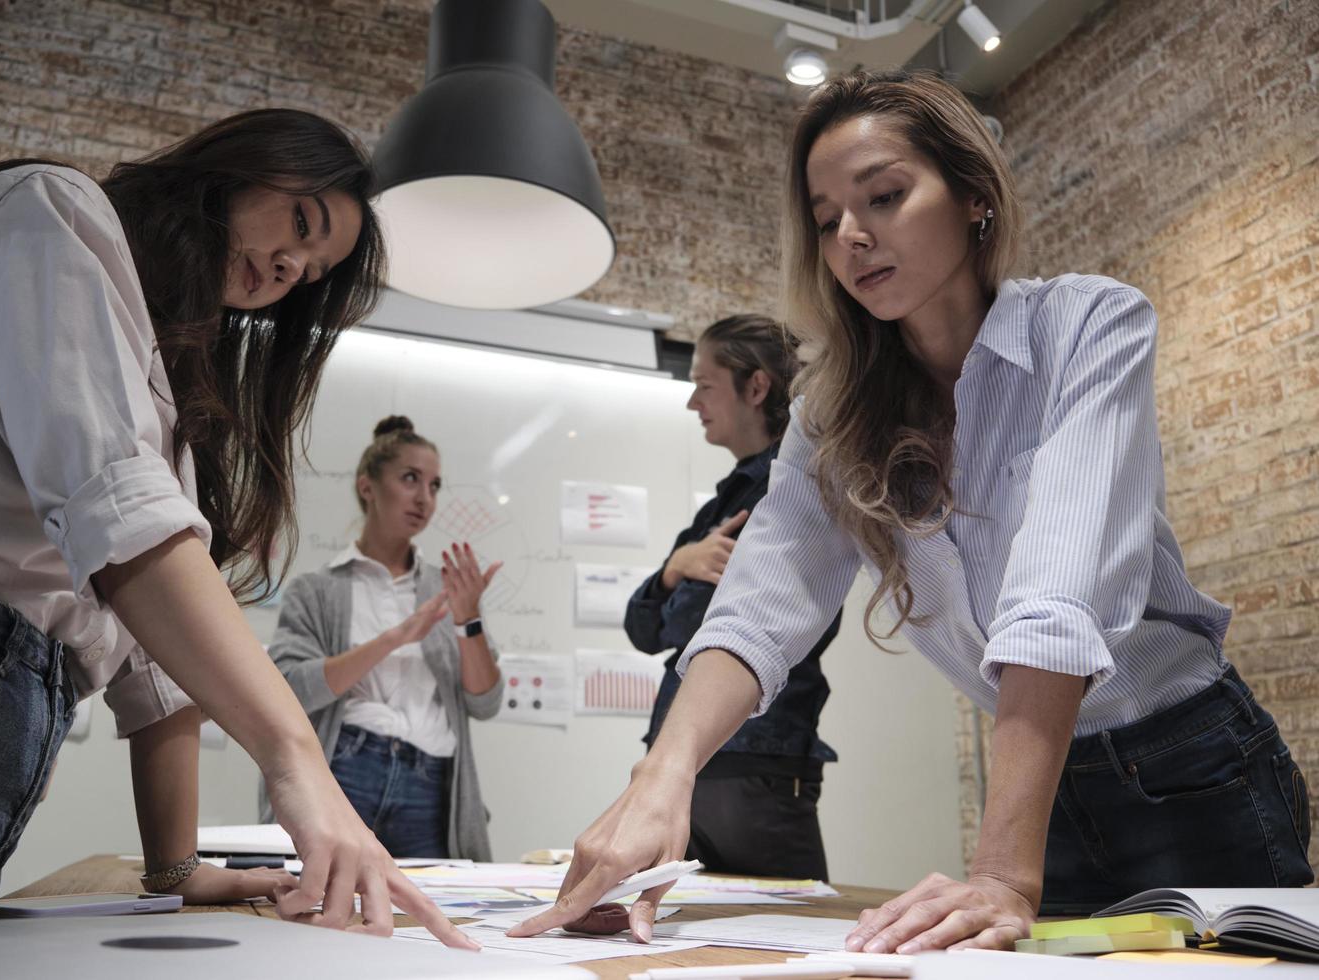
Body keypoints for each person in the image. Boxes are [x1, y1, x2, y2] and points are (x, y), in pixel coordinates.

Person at [513, 69, 1312, 950]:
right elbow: (764, 602)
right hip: (1043, 782)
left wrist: (1004, 874)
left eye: (885, 196)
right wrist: (661, 776)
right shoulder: (834, 410)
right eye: (826, 221)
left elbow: (1056, 595)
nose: (852, 237)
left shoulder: (1090, 325)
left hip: (1189, 766)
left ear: (973, 195)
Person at [0, 108, 474, 945]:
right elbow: (123, 521)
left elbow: (155, 670)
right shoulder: (50, 211)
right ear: (242, 166)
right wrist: (298, 764)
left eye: (310, 270)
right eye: (300, 223)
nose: (291, 265)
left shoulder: (160, 383)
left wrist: (176, 867)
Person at [625, 313, 841, 881]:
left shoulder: (786, 490)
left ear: (756, 386)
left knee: (796, 943)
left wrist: (683, 587)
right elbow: (642, 627)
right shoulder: (721, 505)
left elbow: (699, 626)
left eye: (704, 384)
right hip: (698, 762)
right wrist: (677, 568)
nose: (693, 402)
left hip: (752, 761)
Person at [262, 417, 504, 860]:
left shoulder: (449, 588)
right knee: (324, 908)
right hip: (347, 768)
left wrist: (468, 622)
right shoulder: (316, 589)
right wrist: (394, 638)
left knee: (427, 918)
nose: (424, 498)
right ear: (367, 486)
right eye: (410, 479)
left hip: (432, 782)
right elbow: (291, 689)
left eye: (434, 485)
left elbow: (484, 704)